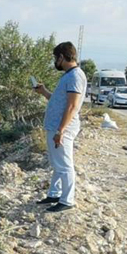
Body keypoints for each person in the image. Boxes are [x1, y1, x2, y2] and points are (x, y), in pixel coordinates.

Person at [33, 42, 87, 212]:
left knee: (64, 164)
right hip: (56, 127)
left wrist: (60, 130)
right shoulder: (68, 76)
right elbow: (59, 101)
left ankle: (67, 200)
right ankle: (54, 194)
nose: (55, 62)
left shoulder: (75, 76)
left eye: (55, 58)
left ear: (62, 57)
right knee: (57, 163)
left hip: (62, 128)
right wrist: (44, 92)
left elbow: (72, 106)